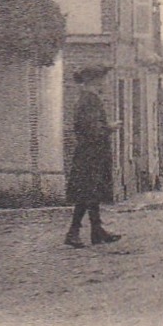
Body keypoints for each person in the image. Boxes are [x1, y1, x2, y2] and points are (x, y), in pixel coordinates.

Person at [65, 66, 122, 248]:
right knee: (87, 192)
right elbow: (92, 129)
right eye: (103, 79)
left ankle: (96, 231)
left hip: (91, 151)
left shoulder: (87, 98)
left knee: (91, 192)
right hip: (91, 152)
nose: (105, 83)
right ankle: (74, 232)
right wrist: (110, 128)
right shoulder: (89, 100)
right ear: (95, 81)